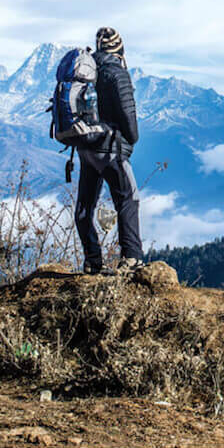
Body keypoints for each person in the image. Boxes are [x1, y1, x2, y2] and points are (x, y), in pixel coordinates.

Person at [74, 26, 143, 274]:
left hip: (85, 147)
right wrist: (131, 140)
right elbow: (128, 117)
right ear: (120, 48)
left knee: (85, 206)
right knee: (128, 199)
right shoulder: (117, 74)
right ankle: (132, 258)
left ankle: (92, 260)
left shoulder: (86, 72)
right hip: (111, 148)